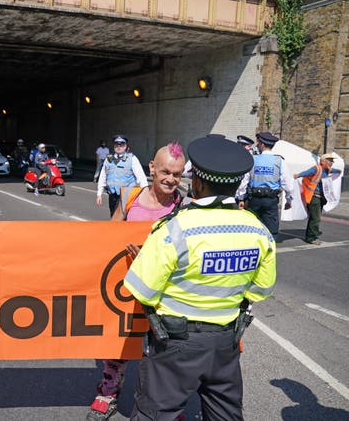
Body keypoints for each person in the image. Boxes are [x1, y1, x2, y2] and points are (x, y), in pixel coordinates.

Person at [124, 136, 276, 421]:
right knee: (225, 414)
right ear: (236, 183)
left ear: (197, 183)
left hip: (175, 344)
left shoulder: (174, 229)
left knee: (155, 414)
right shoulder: (258, 231)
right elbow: (261, 290)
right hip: (226, 344)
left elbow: (142, 290)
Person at [86, 142, 185, 421]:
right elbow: (111, 236)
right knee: (118, 345)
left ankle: (165, 406)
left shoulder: (183, 206)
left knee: (163, 351)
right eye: (165, 171)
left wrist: (151, 256)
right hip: (126, 286)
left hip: (163, 291)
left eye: (177, 174)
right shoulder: (130, 196)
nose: (170, 179)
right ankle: (107, 393)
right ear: (151, 168)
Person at [237, 132, 293, 235]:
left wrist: (241, 198)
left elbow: (244, 182)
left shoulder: (253, 160)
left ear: (262, 145)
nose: (257, 145)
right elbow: (288, 186)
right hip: (271, 201)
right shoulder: (280, 161)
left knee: (251, 228)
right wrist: (289, 201)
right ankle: (268, 248)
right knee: (271, 230)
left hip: (254, 200)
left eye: (258, 143)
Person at [293, 153, 342, 245]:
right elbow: (306, 173)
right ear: (323, 161)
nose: (332, 162)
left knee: (314, 217)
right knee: (315, 218)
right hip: (314, 197)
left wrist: (336, 170)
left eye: (332, 161)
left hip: (321, 198)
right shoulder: (317, 168)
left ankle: (310, 236)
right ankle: (311, 238)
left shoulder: (327, 170)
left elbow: (338, 171)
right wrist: (297, 175)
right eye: (330, 160)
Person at [96, 135, 148, 217]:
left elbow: (141, 177)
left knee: (124, 219)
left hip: (127, 196)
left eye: (122, 144)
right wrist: (99, 194)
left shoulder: (132, 159)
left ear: (126, 146)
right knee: (113, 217)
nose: (119, 146)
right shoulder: (108, 159)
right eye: (117, 144)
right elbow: (103, 176)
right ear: (114, 146)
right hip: (112, 196)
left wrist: (146, 195)